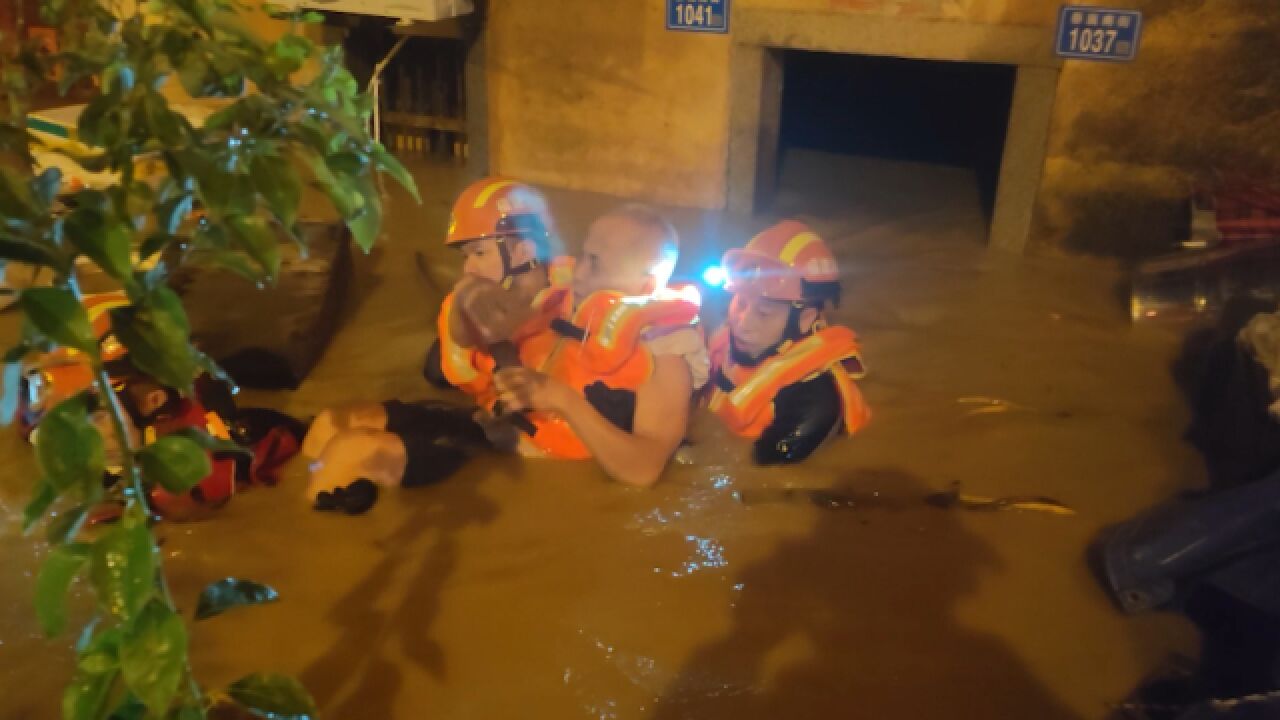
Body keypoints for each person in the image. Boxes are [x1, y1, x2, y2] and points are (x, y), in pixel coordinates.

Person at [301, 177, 566, 508]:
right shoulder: (468, 301)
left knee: (352, 453)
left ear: (524, 251)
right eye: (466, 255)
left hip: (526, 451)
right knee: (331, 424)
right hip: (487, 425)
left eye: (479, 253)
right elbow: (463, 352)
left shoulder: (580, 304)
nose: (468, 267)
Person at [490, 204, 708, 487]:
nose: (578, 273)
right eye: (583, 255)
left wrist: (561, 399)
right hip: (508, 448)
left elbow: (644, 470)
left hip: (560, 487)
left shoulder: (664, 356)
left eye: (596, 263)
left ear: (646, 286)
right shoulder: (566, 311)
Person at [703, 220, 870, 465]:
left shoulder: (814, 402)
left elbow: (764, 473)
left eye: (764, 314)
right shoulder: (724, 344)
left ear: (805, 319)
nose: (742, 323)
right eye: (741, 303)